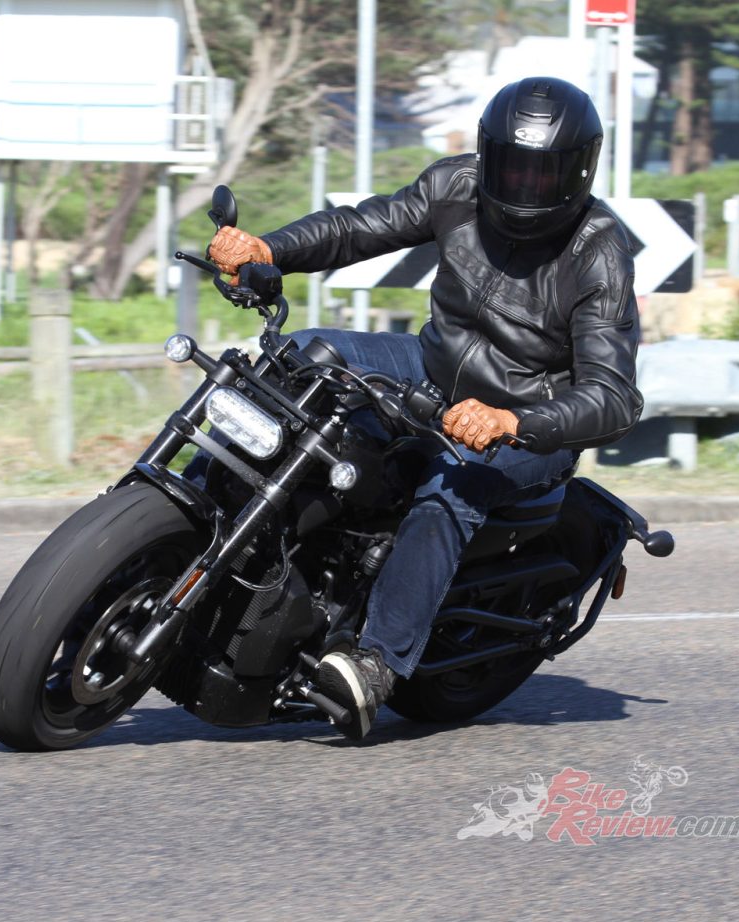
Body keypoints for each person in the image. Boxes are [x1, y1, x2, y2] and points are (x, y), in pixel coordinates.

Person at [207, 76, 644, 740]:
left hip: (530, 418)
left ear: (578, 171)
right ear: (489, 155)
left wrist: (514, 422)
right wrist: (269, 250)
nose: (524, 185)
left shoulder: (597, 249)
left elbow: (614, 396)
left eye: (543, 171)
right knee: (300, 354)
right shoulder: (455, 186)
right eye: (513, 166)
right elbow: (358, 228)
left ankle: (377, 662)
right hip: (433, 367)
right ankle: (199, 504)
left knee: (451, 488)